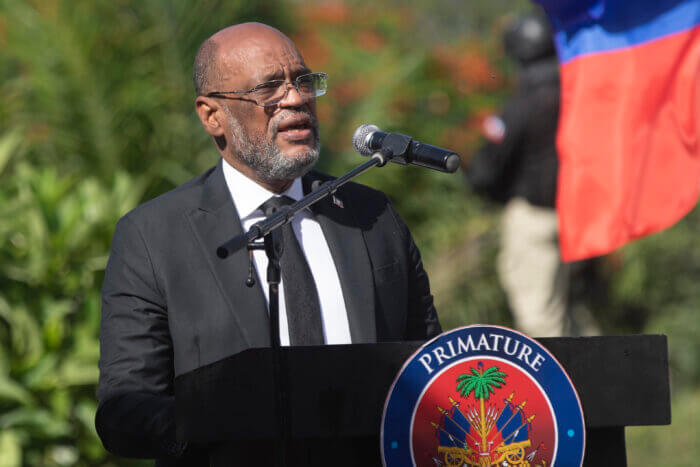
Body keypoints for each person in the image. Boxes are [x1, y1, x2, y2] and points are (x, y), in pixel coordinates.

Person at [95, 22, 440, 465]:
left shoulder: (371, 216)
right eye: (268, 88)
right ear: (211, 115)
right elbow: (124, 409)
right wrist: (217, 423)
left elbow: (430, 365)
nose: (295, 99)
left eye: (302, 81)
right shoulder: (153, 236)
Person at [465, 12, 599, 338]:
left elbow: (485, 171)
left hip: (535, 219)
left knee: (541, 318)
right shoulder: (582, 99)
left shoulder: (520, 106)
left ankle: (563, 387)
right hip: (583, 220)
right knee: (573, 310)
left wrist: (491, 192)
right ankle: (599, 382)